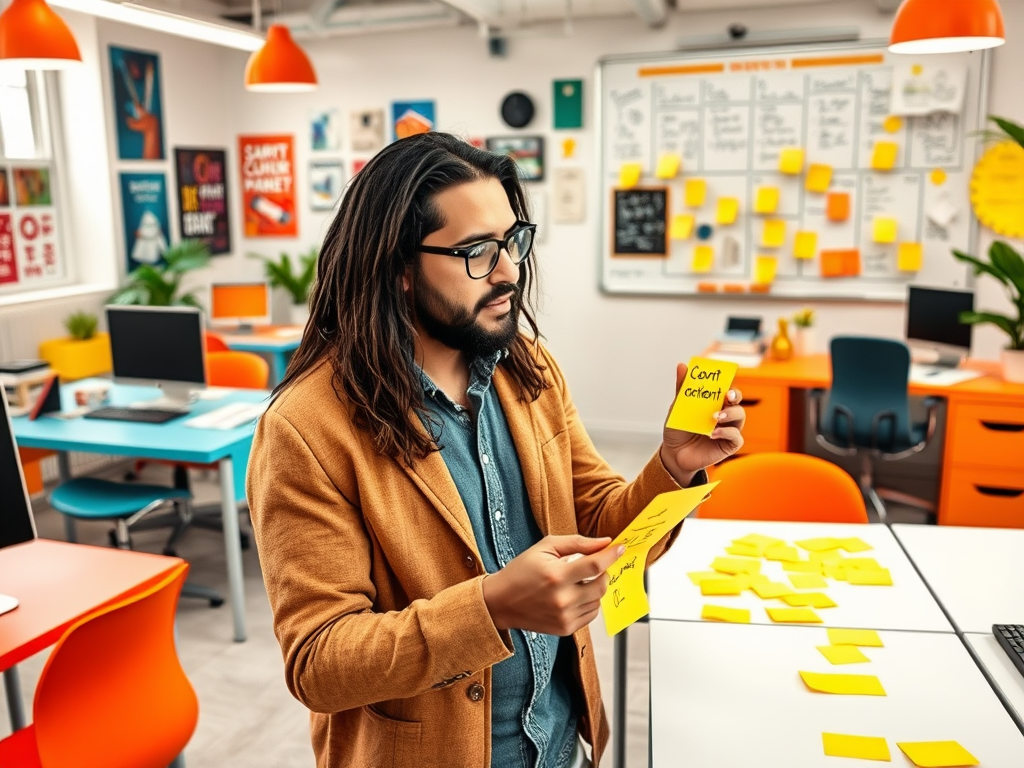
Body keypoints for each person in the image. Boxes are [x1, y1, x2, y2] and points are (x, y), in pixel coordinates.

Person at [247, 132, 746, 768]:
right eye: (477, 251)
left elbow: (600, 530)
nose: (509, 269)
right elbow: (319, 662)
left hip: (562, 746)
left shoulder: (526, 369)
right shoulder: (306, 428)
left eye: (512, 240)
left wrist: (676, 467)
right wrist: (491, 607)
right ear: (398, 268)